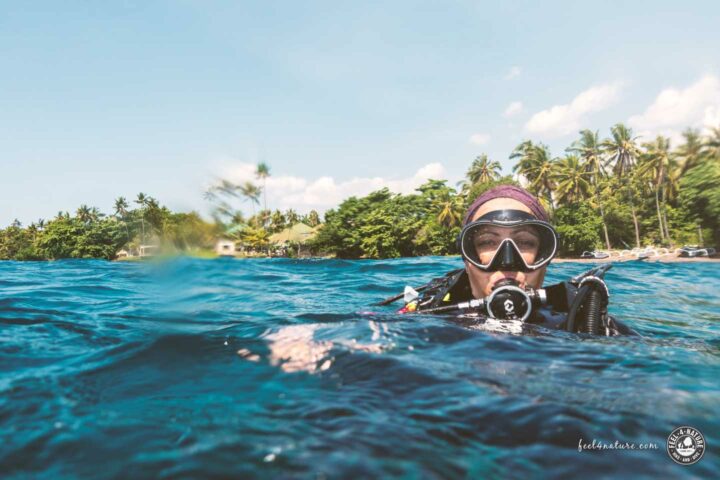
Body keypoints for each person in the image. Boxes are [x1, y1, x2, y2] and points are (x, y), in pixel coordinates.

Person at [384, 185, 635, 336]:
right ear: (467, 259)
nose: (506, 262)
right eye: (487, 242)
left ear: (544, 257)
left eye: (525, 243)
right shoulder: (428, 320)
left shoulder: (583, 324)